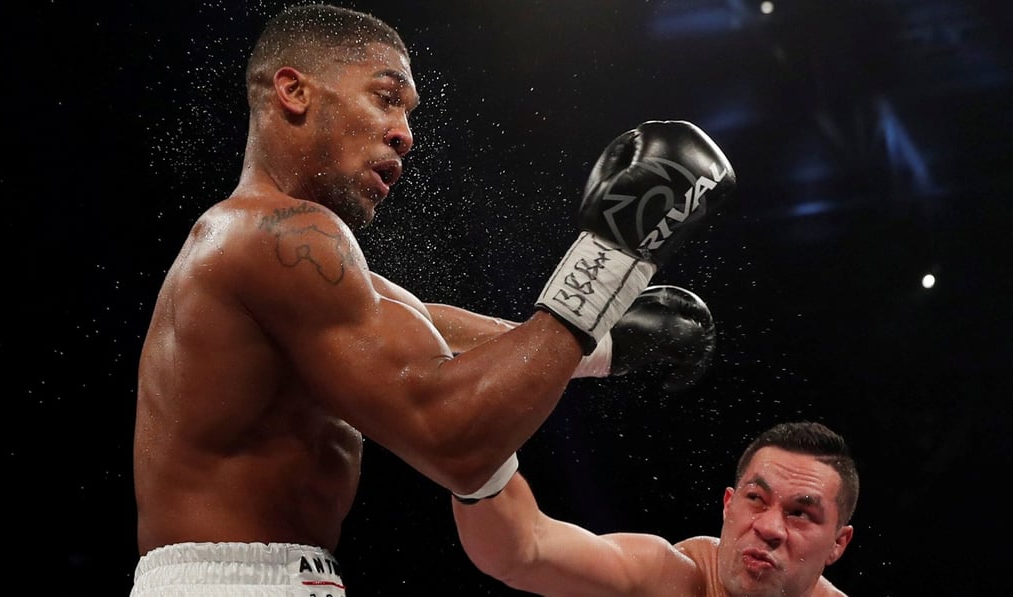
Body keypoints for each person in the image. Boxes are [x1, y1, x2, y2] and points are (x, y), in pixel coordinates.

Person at [131, 3, 735, 596]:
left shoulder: (274, 251)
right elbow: (454, 442)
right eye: (386, 97)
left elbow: (433, 329)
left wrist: (610, 345)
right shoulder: (276, 235)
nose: (405, 132)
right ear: (294, 91)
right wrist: (610, 258)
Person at [453, 421, 859, 597]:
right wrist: (476, 466)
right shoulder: (665, 577)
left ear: (838, 544)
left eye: (800, 513)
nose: (769, 527)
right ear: (728, 506)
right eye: (756, 499)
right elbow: (523, 551)